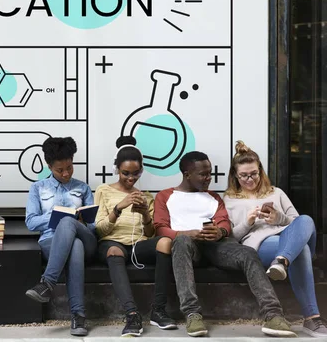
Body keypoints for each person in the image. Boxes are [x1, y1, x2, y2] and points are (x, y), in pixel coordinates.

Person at [154, 151, 295, 338]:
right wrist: (187, 233)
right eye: (203, 174)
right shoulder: (165, 196)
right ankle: (192, 314)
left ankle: (273, 315)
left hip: (216, 245)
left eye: (210, 173)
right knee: (180, 242)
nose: (208, 178)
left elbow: (224, 223)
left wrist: (219, 231)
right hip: (187, 246)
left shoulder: (214, 197)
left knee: (247, 253)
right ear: (187, 174)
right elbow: (160, 228)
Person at [224, 141, 327, 337]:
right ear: (235, 176)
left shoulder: (276, 192)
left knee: (306, 219)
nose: (249, 179)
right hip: (259, 244)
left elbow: (299, 224)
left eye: (253, 173)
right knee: (302, 250)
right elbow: (231, 238)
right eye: (243, 175)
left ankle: (282, 261)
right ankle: (312, 319)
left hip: (288, 238)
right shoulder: (229, 199)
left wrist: (278, 218)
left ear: (260, 170)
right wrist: (248, 222)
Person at [94, 136, 176, 336]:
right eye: (125, 173)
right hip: (112, 243)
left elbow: (150, 234)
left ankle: (158, 310)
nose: (131, 178)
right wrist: (118, 208)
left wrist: (146, 215)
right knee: (114, 250)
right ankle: (132, 314)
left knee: (165, 242)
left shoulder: (146, 196)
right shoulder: (103, 190)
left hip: (138, 245)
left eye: (136, 173)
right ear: (116, 170)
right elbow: (99, 230)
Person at [25, 137, 97, 337]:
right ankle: (78, 316)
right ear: (49, 166)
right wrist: (57, 214)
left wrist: (77, 220)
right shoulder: (38, 188)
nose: (66, 173)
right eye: (60, 170)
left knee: (70, 227)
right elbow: (31, 222)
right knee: (73, 245)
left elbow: (93, 227)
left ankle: (47, 283)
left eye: (69, 167)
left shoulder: (83, 188)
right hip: (52, 241)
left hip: (86, 239)